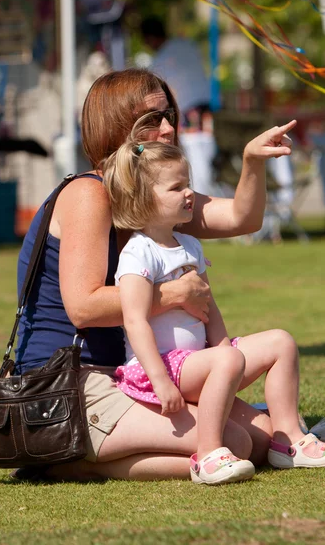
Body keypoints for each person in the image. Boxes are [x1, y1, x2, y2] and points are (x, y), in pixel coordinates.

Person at [12, 68, 325, 483]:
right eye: (152, 119)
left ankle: (89, 454)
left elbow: (243, 218)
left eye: (168, 114)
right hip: (69, 383)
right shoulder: (90, 193)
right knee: (235, 443)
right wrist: (173, 293)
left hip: (125, 375)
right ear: (116, 125)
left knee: (262, 439)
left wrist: (252, 162)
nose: (170, 127)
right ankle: (70, 460)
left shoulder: (156, 197)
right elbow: (83, 307)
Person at [103, 137, 255, 485]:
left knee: (272, 347)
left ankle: (287, 437)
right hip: (155, 368)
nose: (189, 193)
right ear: (142, 198)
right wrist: (159, 380)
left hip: (190, 363)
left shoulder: (190, 245)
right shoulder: (138, 253)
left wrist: (223, 348)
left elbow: (208, 306)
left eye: (188, 184)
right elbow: (134, 320)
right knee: (228, 362)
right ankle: (208, 455)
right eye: (176, 187)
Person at [140, 16, 218, 196]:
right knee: (205, 159)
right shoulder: (186, 45)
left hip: (187, 112)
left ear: (149, 38)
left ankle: (200, 205)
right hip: (205, 108)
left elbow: (170, 90)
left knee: (196, 164)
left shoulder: (161, 59)